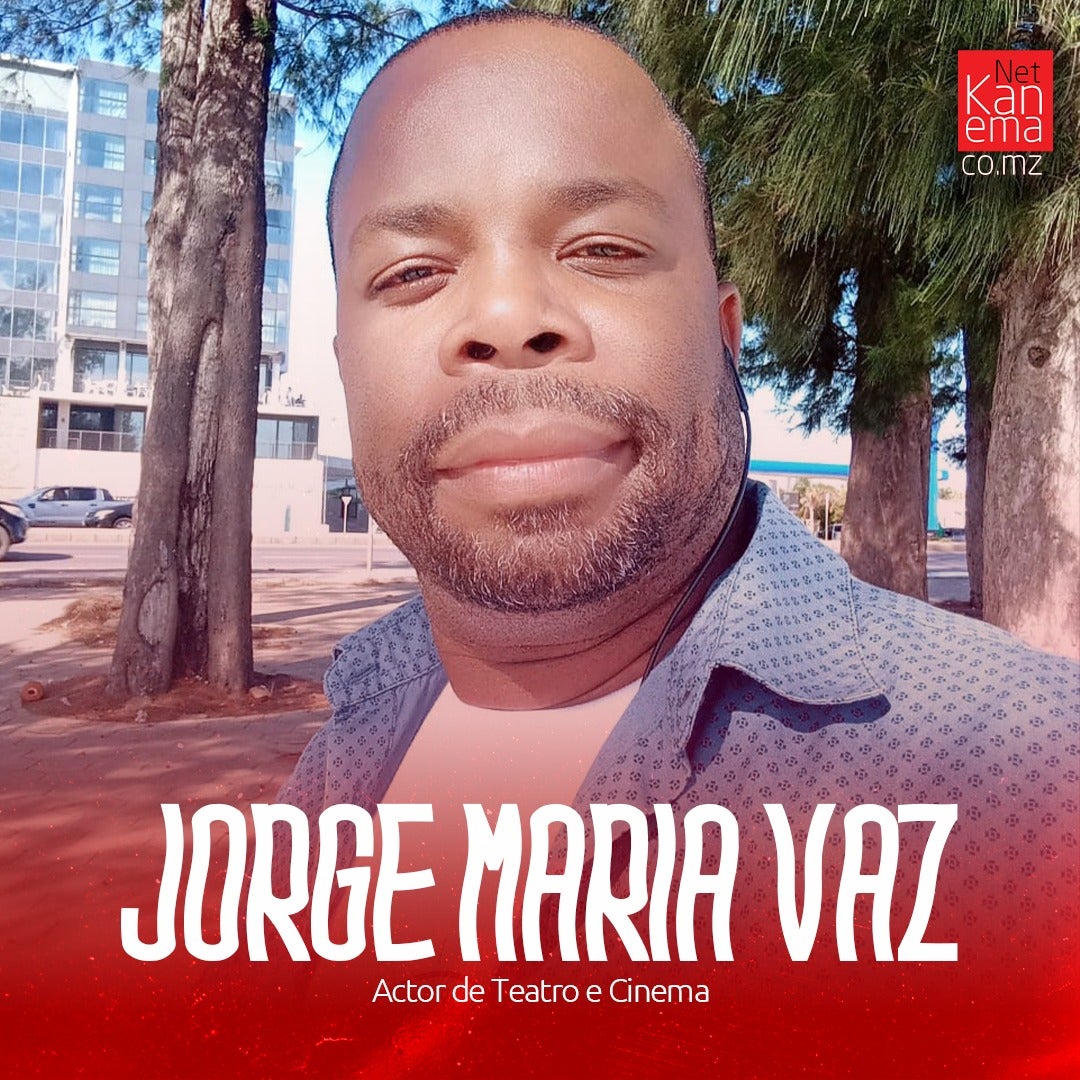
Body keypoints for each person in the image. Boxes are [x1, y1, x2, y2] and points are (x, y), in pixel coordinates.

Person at [278, 10, 1078, 1073]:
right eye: (413, 273)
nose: (507, 316)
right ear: (346, 368)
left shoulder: (1027, 779)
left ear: (725, 334)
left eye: (602, 248)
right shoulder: (343, 754)